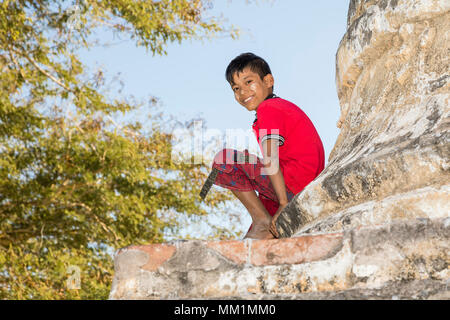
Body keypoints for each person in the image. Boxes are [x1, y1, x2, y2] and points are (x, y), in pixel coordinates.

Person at [201, 52, 325, 239]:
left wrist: (284, 204)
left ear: (268, 81)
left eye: (248, 82)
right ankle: (263, 223)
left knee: (223, 160)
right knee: (251, 242)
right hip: (295, 182)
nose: (242, 92)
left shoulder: (269, 108)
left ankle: (262, 220)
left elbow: (270, 158)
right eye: (236, 88)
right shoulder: (278, 108)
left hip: (294, 183)